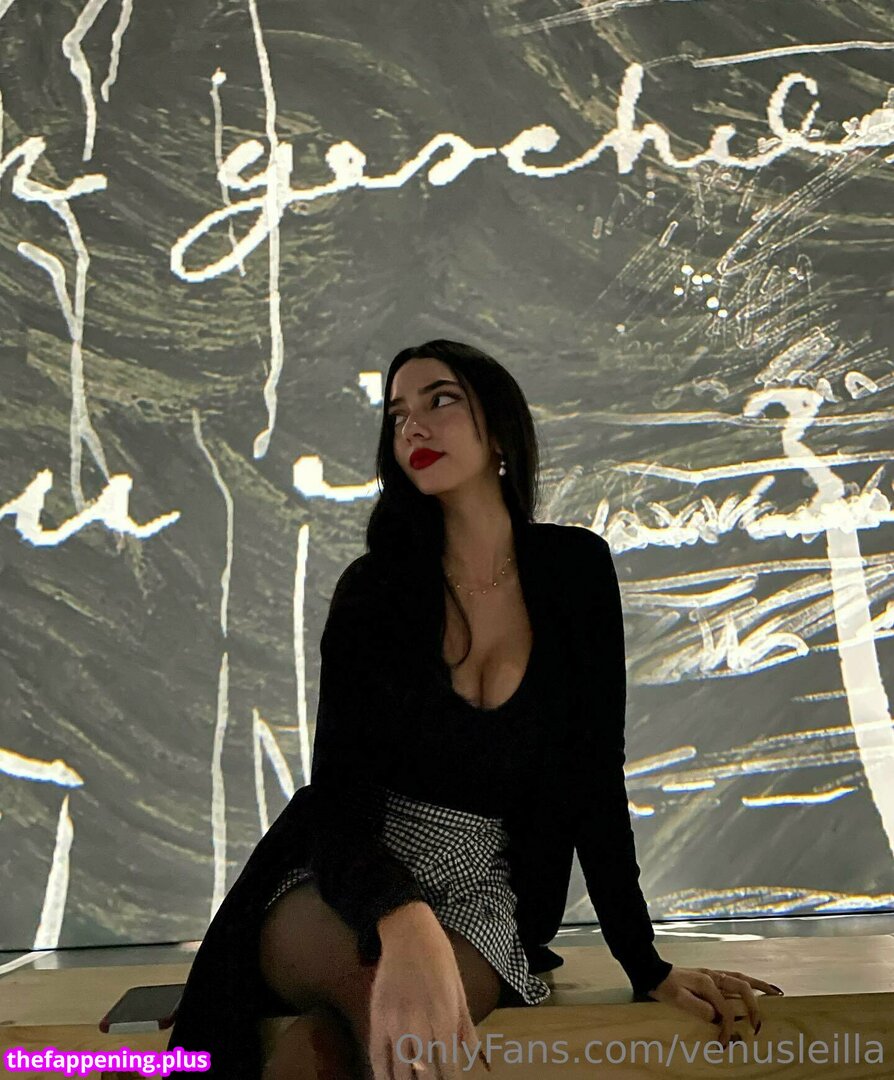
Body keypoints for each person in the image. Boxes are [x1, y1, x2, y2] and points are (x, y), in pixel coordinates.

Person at [168, 339, 784, 1079]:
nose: (414, 427)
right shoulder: (374, 591)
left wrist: (644, 962)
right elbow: (339, 796)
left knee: (327, 1052)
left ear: (499, 428)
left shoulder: (575, 571)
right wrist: (400, 914)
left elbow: (593, 777)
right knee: (390, 1015)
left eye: (440, 400)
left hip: (484, 883)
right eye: (398, 415)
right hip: (349, 871)